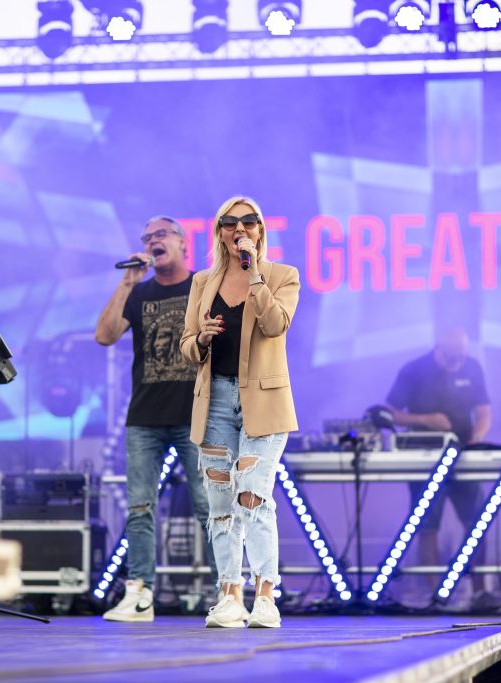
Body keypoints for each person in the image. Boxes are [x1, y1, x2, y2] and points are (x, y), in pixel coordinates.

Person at [181, 195, 300, 629]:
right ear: (219, 232)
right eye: (230, 223)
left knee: (253, 495)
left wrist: (254, 276)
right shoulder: (202, 282)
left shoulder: (282, 276)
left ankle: (265, 594)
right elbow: (186, 345)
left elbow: (275, 324)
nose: (239, 229)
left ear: (260, 230)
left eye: (248, 222)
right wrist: (202, 339)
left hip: (263, 402)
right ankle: (230, 595)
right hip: (214, 399)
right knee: (220, 503)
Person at [95, 215, 215, 622]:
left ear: (182, 243)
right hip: (145, 417)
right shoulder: (139, 292)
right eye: (146, 237)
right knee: (140, 507)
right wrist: (127, 282)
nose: (151, 241)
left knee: (208, 505)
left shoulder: (202, 286)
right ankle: (140, 593)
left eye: (160, 235)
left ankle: (228, 592)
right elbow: (105, 335)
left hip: (194, 414)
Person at [384, 326, 495, 610]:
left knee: (477, 521)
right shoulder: (413, 370)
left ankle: (480, 591)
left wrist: (477, 436)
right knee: (427, 525)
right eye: (452, 357)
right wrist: (425, 420)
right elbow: (389, 412)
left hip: (464, 456)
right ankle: (437, 594)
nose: (458, 362)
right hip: (425, 458)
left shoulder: (472, 367)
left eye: (461, 356)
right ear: (439, 350)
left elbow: (484, 410)